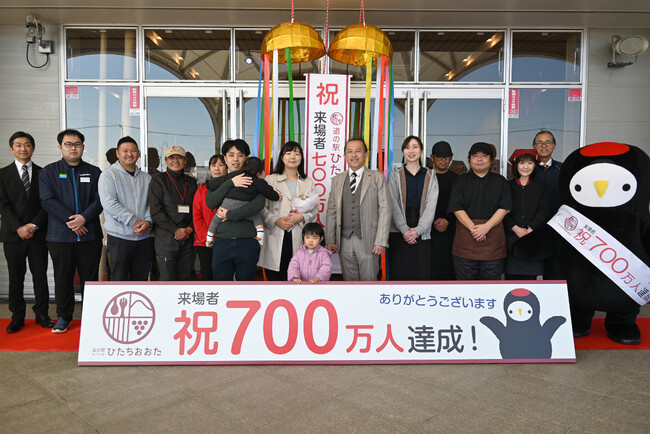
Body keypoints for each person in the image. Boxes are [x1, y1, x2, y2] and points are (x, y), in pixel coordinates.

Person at [39, 129, 103, 333]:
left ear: (83, 147)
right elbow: (47, 200)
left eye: (77, 144)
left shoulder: (94, 172)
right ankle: (64, 317)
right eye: (68, 144)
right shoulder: (48, 172)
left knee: (90, 279)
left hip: (89, 235)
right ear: (61, 147)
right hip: (60, 236)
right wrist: (71, 220)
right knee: (63, 278)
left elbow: (100, 199)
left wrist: (84, 217)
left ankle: (91, 316)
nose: (73, 148)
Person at [0, 131, 52, 333]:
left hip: (38, 235)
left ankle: (42, 314)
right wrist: (19, 227)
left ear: (33, 148)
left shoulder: (44, 173)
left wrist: (33, 225)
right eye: (19, 145)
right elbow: (3, 205)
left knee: (40, 275)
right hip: (13, 236)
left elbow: (47, 203)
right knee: (16, 276)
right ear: (12, 148)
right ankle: (17, 316)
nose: (23, 148)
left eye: (27, 144)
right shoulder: (2, 174)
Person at [325, 138, 391, 281]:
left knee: (369, 281)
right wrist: (330, 239)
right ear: (345, 156)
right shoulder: (337, 180)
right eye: (350, 151)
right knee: (349, 282)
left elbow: (385, 210)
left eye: (358, 151)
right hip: (344, 240)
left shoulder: (377, 177)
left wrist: (381, 240)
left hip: (369, 239)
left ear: (366, 155)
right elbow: (332, 211)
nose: (354, 155)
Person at [447, 142, 511, 280]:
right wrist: (474, 229)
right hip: (466, 242)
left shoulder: (501, 181)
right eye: (475, 156)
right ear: (469, 159)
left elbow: (504, 208)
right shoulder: (460, 181)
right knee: (466, 287)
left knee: (491, 288)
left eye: (484, 156)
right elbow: (457, 208)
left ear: (491, 160)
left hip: (493, 244)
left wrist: (486, 227)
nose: (479, 159)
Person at [206, 139, 265, 281]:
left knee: (245, 283)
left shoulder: (254, 180)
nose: (236, 159)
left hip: (248, 241)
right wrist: (230, 183)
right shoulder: (218, 181)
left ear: (246, 158)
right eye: (231, 155)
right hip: (222, 241)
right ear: (225, 158)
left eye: (240, 155)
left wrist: (229, 215)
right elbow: (211, 203)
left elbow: (258, 205)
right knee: (221, 283)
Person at [258, 141, 318, 281]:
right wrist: (275, 220)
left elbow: (315, 209)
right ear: (282, 157)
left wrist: (301, 217)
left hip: (299, 234)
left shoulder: (308, 182)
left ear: (301, 158)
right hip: (275, 233)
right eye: (288, 153)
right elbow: (261, 206)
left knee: (297, 278)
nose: (293, 157)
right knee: (275, 279)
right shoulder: (270, 180)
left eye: (297, 153)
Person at [98, 136, 152, 281]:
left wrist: (148, 222)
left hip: (143, 238)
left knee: (141, 280)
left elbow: (151, 203)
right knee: (118, 280)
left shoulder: (147, 178)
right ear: (117, 153)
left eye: (133, 150)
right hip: (119, 238)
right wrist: (133, 221)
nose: (129, 154)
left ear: (138, 153)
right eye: (125, 150)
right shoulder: (108, 175)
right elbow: (109, 203)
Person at [387, 136, 438, 280]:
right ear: (403, 151)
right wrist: (404, 229)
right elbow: (392, 203)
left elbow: (431, 206)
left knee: (421, 272)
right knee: (399, 272)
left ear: (421, 150)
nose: (411, 151)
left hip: (422, 230)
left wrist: (418, 230)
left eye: (415, 147)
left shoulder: (430, 175)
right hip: (399, 229)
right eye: (407, 147)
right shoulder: (396, 174)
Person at [149, 145, 197, 281]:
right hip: (167, 238)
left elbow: (197, 210)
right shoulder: (158, 181)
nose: (175, 161)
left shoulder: (192, 182)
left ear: (185, 161)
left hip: (187, 237)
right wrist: (176, 230)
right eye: (172, 158)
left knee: (185, 277)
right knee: (167, 279)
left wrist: (189, 228)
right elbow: (156, 211)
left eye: (179, 158)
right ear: (166, 161)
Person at [205, 157, 279, 246]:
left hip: (228, 204)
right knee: (256, 216)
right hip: (244, 205)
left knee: (216, 218)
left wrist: (210, 184)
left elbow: (214, 183)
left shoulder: (235, 175)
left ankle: (209, 238)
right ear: (259, 174)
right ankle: (260, 235)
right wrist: (278, 196)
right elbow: (269, 192)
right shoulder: (259, 182)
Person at [504, 151, 549, 280]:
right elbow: (502, 211)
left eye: (530, 163)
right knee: (510, 280)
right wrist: (515, 228)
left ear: (535, 166)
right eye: (522, 163)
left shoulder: (541, 187)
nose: (525, 167)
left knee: (530, 281)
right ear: (516, 165)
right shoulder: (507, 186)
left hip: (532, 238)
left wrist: (530, 229)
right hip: (511, 237)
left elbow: (543, 211)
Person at [192, 154, 226, 281]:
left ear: (227, 167)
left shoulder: (232, 188)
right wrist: (207, 238)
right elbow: (197, 216)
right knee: (207, 275)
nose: (217, 168)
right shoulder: (202, 190)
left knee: (223, 276)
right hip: (205, 241)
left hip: (226, 240)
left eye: (221, 165)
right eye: (213, 165)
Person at [429, 140, 459, 280]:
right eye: (439, 156)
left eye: (447, 157)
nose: (443, 160)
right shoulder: (425, 177)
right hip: (426, 231)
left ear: (451, 157)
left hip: (450, 232)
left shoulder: (457, 180)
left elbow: (460, 204)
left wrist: (448, 220)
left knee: (448, 270)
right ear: (432, 157)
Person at [532, 130, 563, 217]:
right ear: (534, 146)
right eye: (540, 142)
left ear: (554, 146)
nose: (544, 145)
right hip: (532, 221)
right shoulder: (527, 169)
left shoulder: (562, 169)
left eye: (548, 142)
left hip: (557, 219)